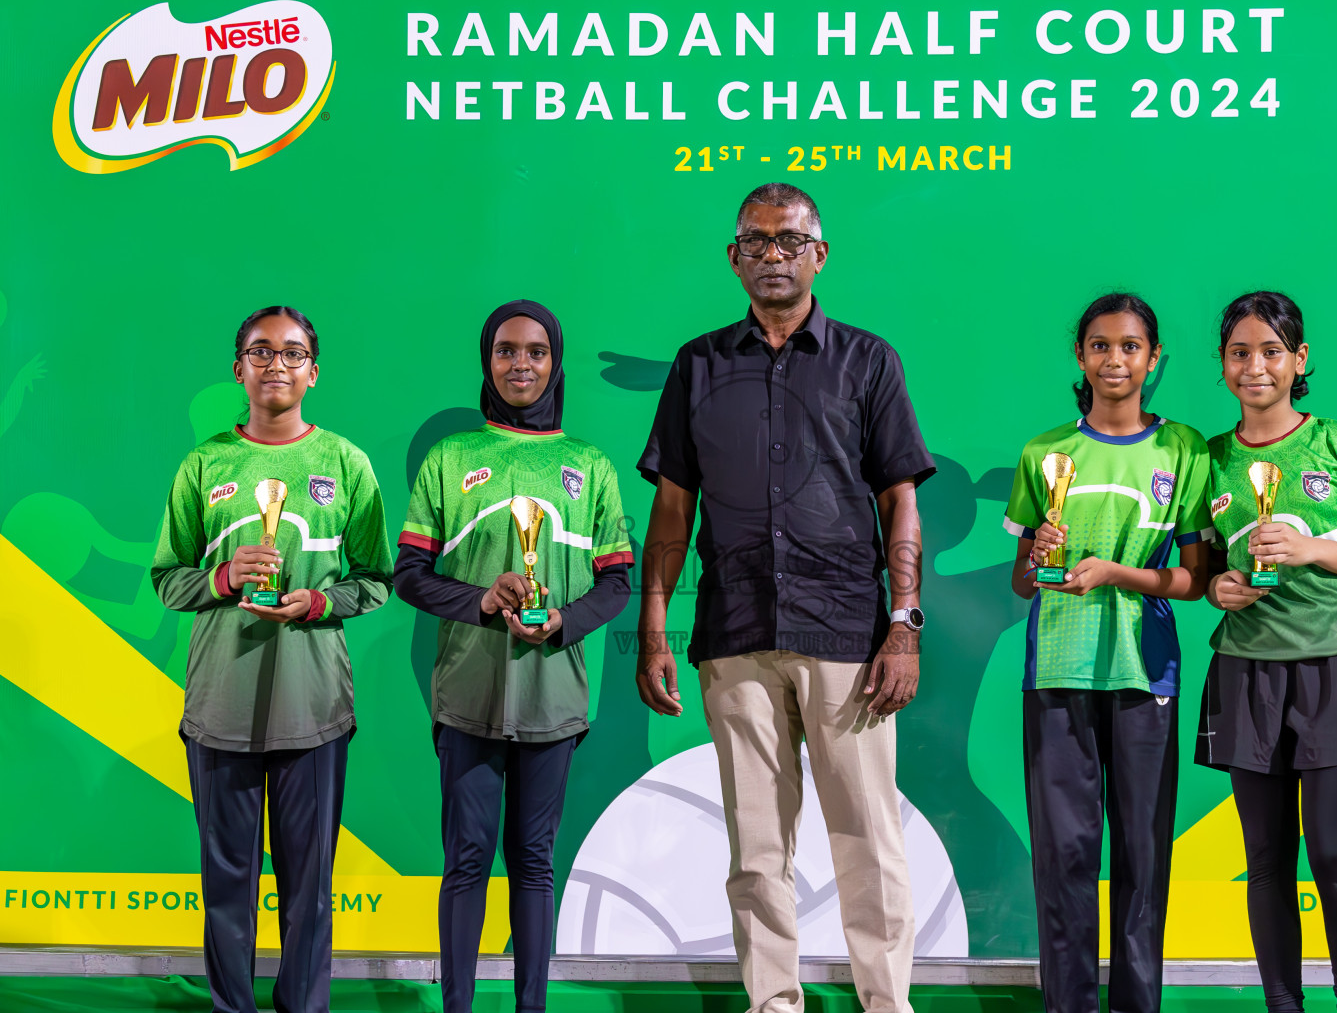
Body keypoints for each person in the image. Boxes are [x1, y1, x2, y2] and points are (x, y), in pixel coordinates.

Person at [635, 183, 934, 1013]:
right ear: (734, 258)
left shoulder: (868, 361)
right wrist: (654, 628)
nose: (774, 254)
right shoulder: (697, 365)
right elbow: (671, 509)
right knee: (757, 846)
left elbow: (899, 499)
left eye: (790, 240)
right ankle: (773, 1002)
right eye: (757, 241)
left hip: (847, 631)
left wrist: (904, 624)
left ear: (819, 255)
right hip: (733, 631)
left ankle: (887, 1003)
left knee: (869, 839)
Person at [394, 300, 634, 1013]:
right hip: (466, 695)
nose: (520, 364)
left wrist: (562, 619)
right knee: (466, 863)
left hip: (553, 699)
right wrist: (481, 601)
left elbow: (617, 581)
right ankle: (459, 1008)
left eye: (534, 351)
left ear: (555, 362)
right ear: (486, 361)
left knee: (533, 865)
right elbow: (409, 574)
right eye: (505, 351)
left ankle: (533, 1006)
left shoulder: (588, 465)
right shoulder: (450, 458)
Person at [152, 305, 392, 1013]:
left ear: (313, 373)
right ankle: (233, 1006)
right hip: (219, 708)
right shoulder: (205, 464)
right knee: (225, 883)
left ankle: (303, 1008)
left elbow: (377, 578)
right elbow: (168, 578)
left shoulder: (346, 463)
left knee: (308, 888)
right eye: (261, 352)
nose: (276, 365)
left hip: (313, 709)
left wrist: (316, 604)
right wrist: (222, 578)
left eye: (292, 354)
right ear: (239, 370)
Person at [1195, 290, 1337, 1013]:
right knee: (1264, 864)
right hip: (1246, 674)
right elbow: (1201, 574)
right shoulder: (1208, 461)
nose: (1255, 368)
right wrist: (1218, 588)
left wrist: (1313, 548)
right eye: (1239, 353)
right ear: (1223, 363)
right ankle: (1282, 1006)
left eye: (1270, 353)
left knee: (1335, 855)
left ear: (1299, 360)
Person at [1005, 293, 1213, 1013]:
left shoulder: (1184, 450)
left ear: (1153, 358)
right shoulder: (1044, 453)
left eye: (1130, 346)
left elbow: (1195, 580)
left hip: (1143, 672)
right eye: (1100, 345)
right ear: (1081, 356)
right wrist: (1042, 557)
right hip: (1056, 675)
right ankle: (1067, 1006)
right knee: (1063, 859)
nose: (1114, 359)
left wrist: (1119, 574)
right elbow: (1024, 580)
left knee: (1143, 859)